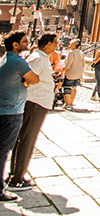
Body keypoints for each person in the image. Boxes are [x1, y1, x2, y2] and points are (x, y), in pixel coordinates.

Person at [7, 34, 56, 193]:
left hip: (37, 102)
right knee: (26, 139)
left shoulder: (41, 58)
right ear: (47, 44)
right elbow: (24, 78)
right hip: (35, 103)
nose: (56, 45)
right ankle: (16, 179)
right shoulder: (38, 58)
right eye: (55, 42)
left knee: (25, 139)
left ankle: (16, 174)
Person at [0, 31, 39, 203]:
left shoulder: (4, 59)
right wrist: (26, 81)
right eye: (24, 41)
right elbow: (35, 79)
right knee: (2, 152)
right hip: (11, 112)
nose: (27, 43)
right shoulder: (18, 62)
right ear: (15, 45)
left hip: (4, 110)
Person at [62, 39, 84, 110]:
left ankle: (67, 103)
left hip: (71, 72)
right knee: (74, 88)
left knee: (67, 88)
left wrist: (64, 69)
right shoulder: (81, 53)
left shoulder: (71, 53)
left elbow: (69, 62)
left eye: (71, 45)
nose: (70, 46)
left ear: (74, 45)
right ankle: (71, 103)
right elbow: (83, 64)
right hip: (78, 73)